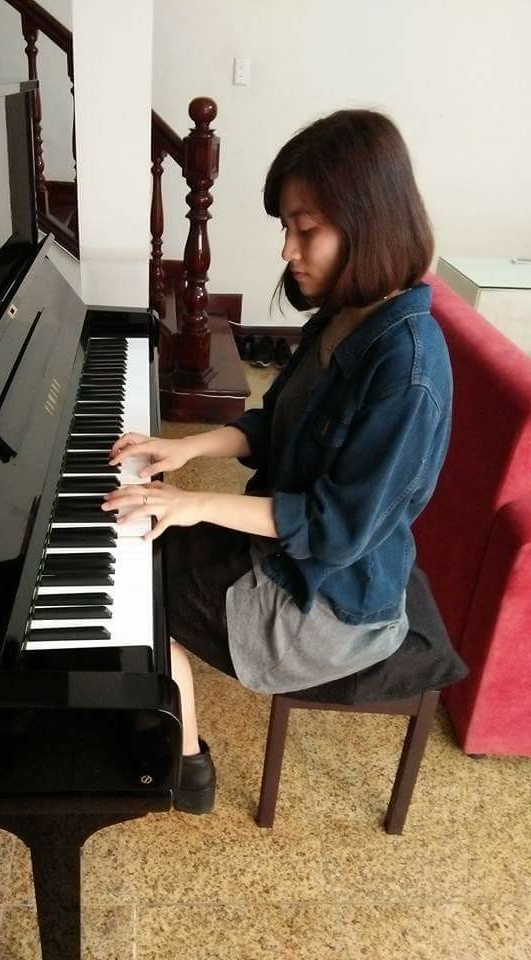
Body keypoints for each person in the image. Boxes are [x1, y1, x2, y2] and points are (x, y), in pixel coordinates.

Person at [101, 109, 452, 815]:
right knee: (136, 551)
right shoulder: (346, 314)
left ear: (371, 222)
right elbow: (276, 424)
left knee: (133, 589)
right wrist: (187, 448)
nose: (288, 249)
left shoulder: (406, 370)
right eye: (286, 228)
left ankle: (186, 762)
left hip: (328, 602)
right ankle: (164, 710)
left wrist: (191, 502)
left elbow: (333, 529)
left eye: (305, 228)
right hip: (290, 553)